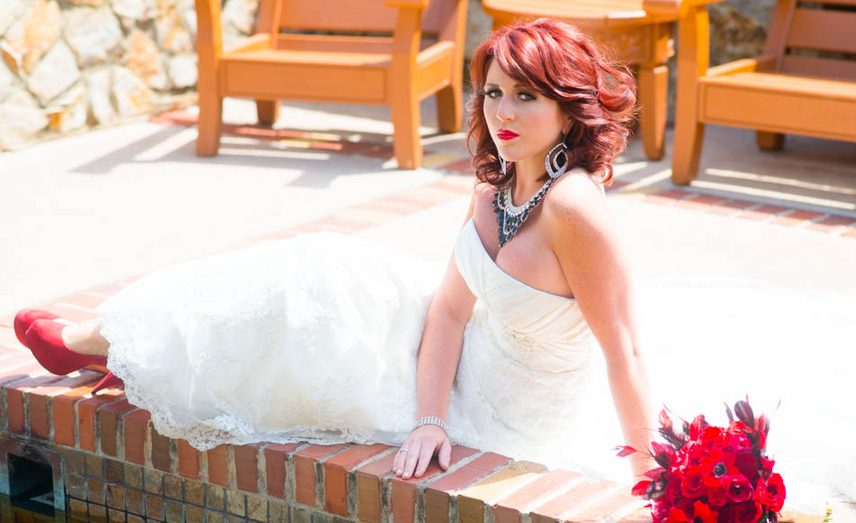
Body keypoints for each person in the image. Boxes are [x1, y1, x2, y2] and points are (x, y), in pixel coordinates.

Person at [15, 19, 656, 484]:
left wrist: (645, 468)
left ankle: (105, 343)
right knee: (316, 269)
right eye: (492, 92)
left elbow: (622, 346)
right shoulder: (493, 191)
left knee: (309, 311)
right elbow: (450, 314)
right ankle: (114, 339)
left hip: (501, 410)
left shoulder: (574, 207)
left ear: (570, 112)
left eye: (526, 96)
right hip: (440, 367)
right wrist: (428, 417)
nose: (501, 113)